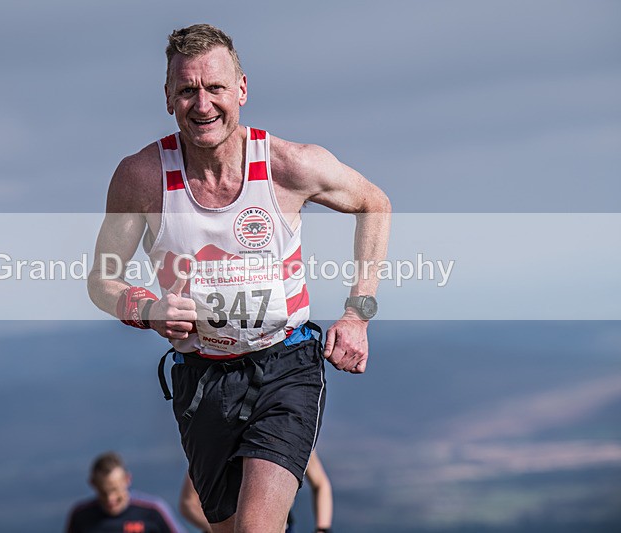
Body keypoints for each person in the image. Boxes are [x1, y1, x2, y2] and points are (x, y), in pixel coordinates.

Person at [88, 24, 390, 533]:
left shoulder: (287, 165)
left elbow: (374, 204)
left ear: (242, 90)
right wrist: (147, 308)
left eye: (215, 88)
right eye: (187, 90)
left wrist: (358, 314)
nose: (202, 104)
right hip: (202, 379)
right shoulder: (141, 178)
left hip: (286, 363)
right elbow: (102, 279)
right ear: (167, 97)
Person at [179, 450, 333, 533]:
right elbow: (188, 503)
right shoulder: (220, 444)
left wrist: (322, 528)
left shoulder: (292, 441)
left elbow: (321, 484)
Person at [65, 452, 185, 533]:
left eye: (115, 490)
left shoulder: (153, 511)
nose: (110, 499)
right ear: (92, 483)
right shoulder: (81, 516)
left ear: (127, 480)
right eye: (103, 492)